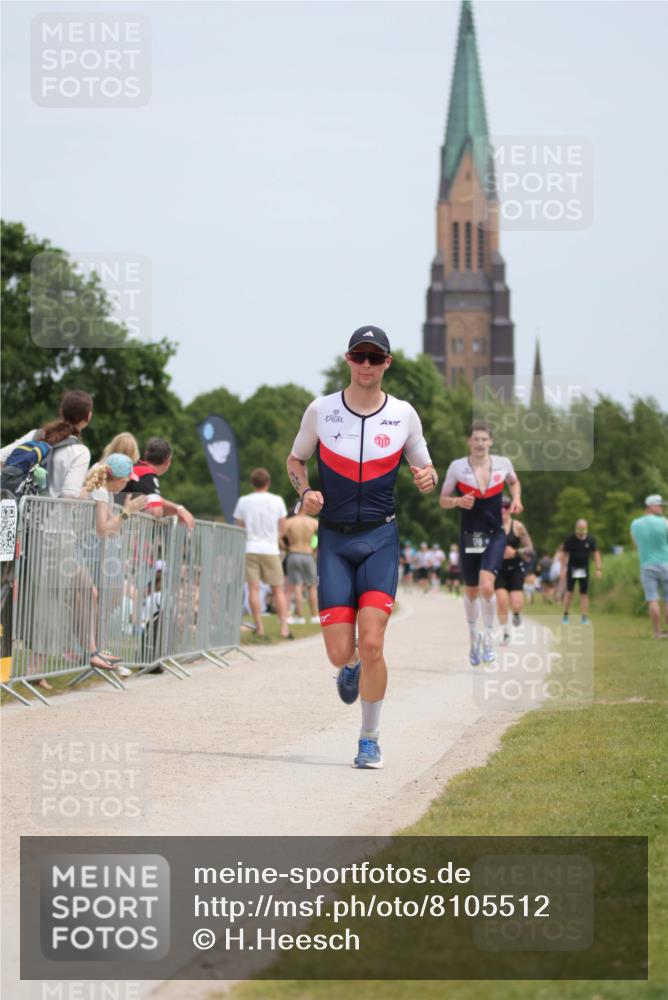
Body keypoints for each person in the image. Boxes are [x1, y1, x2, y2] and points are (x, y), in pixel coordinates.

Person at [287, 325, 437, 770]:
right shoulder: (322, 410)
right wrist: (305, 493)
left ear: (387, 363)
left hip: (379, 538)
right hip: (332, 538)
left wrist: (427, 478)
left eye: (375, 358)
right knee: (340, 652)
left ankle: (369, 738)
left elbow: (424, 467)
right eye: (360, 356)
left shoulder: (404, 414)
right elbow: (296, 460)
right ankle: (347, 666)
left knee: (372, 644)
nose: (367, 365)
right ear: (348, 360)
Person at [0, 390, 94, 689]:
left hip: (21, 527)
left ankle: (19, 666)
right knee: (49, 601)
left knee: (17, 595)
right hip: (55, 532)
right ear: (87, 418)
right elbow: (67, 495)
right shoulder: (79, 451)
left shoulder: (37, 434)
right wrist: (86, 496)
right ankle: (34, 671)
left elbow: (3, 458)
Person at [440, 421, 522, 665]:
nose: (479, 443)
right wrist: (456, 502)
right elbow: (443, 499)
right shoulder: (457, 468)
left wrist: (516, 499)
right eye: (475, 439)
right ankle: (473, 637)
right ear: (469, 441)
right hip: (469, 535)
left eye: (484, 439)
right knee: (471, 590)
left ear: (491, 442)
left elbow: (514, 481)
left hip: (495, 534)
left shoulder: (503, 464)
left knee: (488, 586)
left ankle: (488, 637)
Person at [82, 454, 147, 674]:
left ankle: (96, 648)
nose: (128, 484)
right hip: (85, 549)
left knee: (110, 595)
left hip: (91, 550)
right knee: (93, 597)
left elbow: (110, 526)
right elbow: (104, 529)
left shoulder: (106, 492)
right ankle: (91, 650)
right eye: (127, 479)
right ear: (118, 479)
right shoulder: (101, 491)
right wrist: (127, 514)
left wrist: (124, 514)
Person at [234, 468, 292, 640]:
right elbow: (283, 528)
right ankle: (284, 627)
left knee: (253, 588)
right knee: (278, 589)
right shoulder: (277, 500)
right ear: (268, 483)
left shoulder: (244, 501)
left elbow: (239, 526)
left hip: (251, 547)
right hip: (270, 548)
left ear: (252, 483)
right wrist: (275, 538)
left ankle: (259, 627)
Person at [121, 437, 194, 531]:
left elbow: (157, 500)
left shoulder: (133, 467)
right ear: (167, 461)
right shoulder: (147, 475)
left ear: (146, 455)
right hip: (123, 532)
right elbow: (155, 511)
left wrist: (178, 509)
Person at [495, 496, 534, 643]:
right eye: (499, 506)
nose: (502, 509)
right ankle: (505, 633)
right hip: (498, 569)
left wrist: (516, 552)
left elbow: (530, 549)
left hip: (515, 569)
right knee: (502, 602)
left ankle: (516, 614)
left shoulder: (518, 527)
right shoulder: (492, 525)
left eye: (506, 506)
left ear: (511, 508)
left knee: (516, 604)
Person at [630, 494, 668, 639]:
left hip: (647, 565)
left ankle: (657, 633)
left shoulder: (635, 524)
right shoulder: (664, 522)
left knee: (652, 599)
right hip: (666, 563)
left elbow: (635, 544)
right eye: (659, 505)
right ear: (651, 506)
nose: (662, 508)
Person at [283, 506, 319, 625]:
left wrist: (286, 547)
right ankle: (314, 616)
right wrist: (314, 550)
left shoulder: (289, 522)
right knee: (312, 586)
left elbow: (278, 537)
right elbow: (323, 538)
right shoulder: (313, 522)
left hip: (293, 554)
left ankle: (300, 616)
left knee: (297, 586)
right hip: (308, 554)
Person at [561, 519, 601, 624]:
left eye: (584, 529)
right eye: (580, 529)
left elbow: (596, 553)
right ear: (576, 529)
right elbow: (564, 554)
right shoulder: (570, 539)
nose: (582, 532)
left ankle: (584, 617)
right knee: (569, 593)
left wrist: (598, 568)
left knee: (584, 593)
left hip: (584, 569)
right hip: (572, 568)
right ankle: (565, 615)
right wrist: (563, 569)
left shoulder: (590, 539)